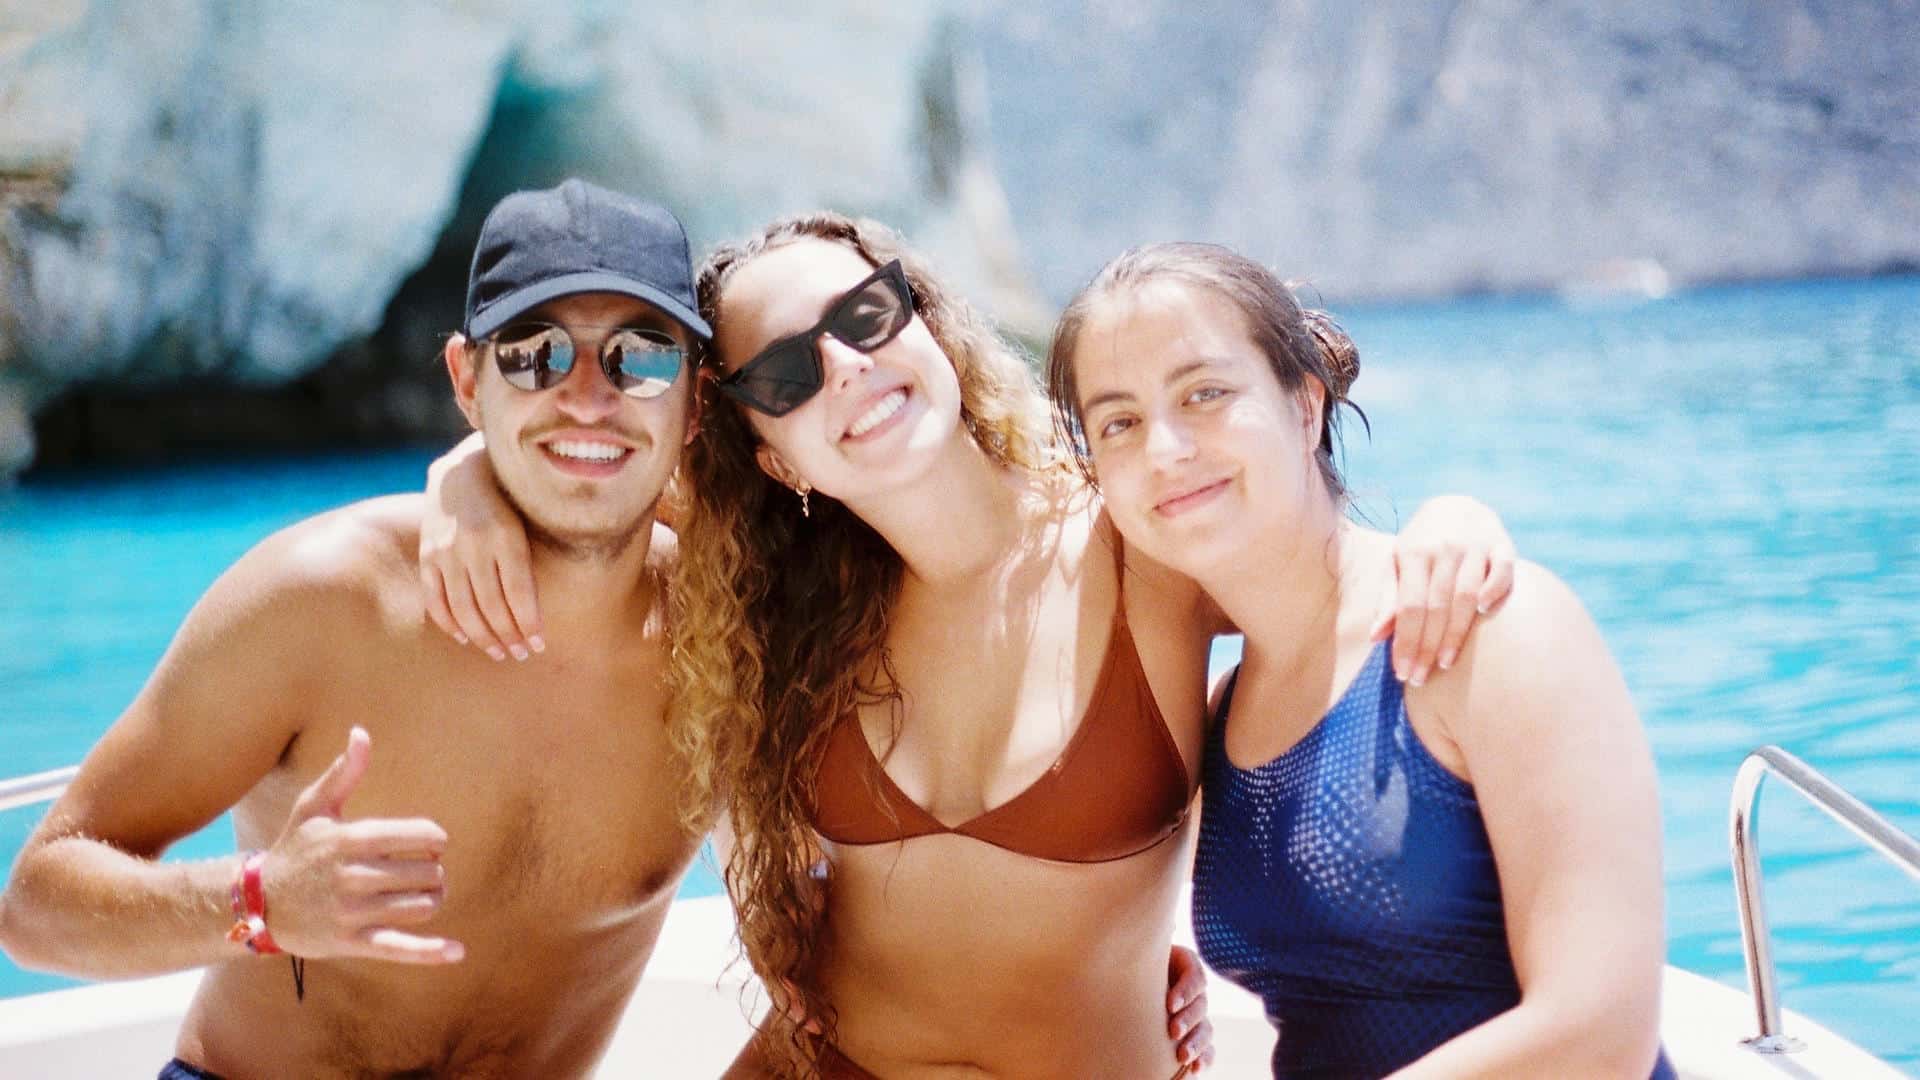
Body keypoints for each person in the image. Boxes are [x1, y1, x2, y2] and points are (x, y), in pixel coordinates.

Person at [419, 213, 1518, 1077]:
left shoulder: (1141, 547)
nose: (842, 369)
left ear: (928, 323)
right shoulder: (777, 592)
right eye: (786, 377)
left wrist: (1453, 518)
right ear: (774, 459)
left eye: (863, 318)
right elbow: (574, 470)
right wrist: (466, 480)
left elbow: (1326, 575)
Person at [0, 179, 719, 1077]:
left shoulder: (724, 635)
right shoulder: (321, 600)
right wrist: (259, 901)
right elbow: (34, 905)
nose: (585, 396)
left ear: (693, 398)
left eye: (639, 358)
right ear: (466, 379)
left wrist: (477, 472)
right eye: (533, 356)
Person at [1046, 241, 1675, 1078]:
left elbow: (1601, 1035)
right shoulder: (1223, 714)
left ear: (1305, 407)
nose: (1164, 448)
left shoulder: (1491, 633)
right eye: (1118, 421)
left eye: (1205, 394)